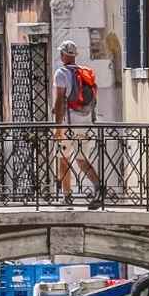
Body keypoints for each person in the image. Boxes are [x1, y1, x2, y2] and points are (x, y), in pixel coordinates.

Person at [51, 40, 105, 209]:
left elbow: (60, 101)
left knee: (63, 160)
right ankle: (99, 189)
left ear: (62, 55)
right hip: (86, 124)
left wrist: (57, 128)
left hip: (68, 124)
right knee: (82, 161)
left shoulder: (61, 73)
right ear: (74, 56)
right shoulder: (85, 72)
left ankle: (67, 197)